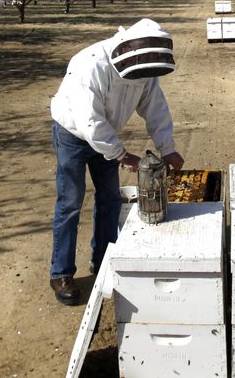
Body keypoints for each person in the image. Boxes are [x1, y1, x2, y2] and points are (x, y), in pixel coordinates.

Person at [48, 18, 185, 306]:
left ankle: (102, 263)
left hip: (106, 135)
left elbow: (155, 107)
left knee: (110, 200)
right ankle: (61, 273)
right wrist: (121, 155)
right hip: (72, 134)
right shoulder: (90, 64)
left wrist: (168, 148)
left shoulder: (144, 67)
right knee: (70, 203)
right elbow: (89, 121)